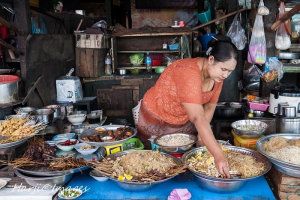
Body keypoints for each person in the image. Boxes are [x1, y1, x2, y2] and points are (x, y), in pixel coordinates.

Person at [137, 35, 238, 178]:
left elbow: (209, 108)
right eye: (224, 69)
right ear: (211, 59)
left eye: (230, 71)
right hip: (157, 116)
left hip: (183, 120)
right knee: (153, 166)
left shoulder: (217, 77)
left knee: (178, 167)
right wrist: (218, 155)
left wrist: (202, 140)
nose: (226, 75)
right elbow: (198, 117)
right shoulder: (188, 72)